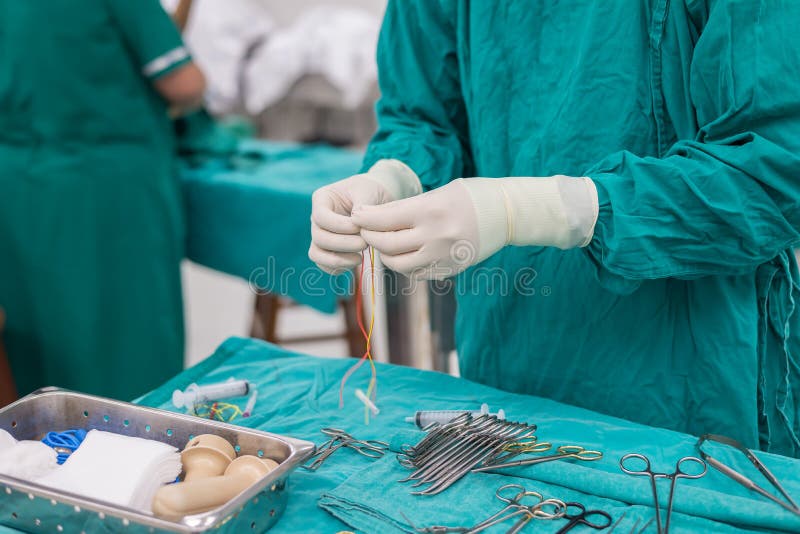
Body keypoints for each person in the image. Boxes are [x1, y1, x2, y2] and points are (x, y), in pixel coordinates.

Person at [310, 1, 800, 456]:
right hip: (509, 348)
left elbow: (773, 166)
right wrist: (395, 177)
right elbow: (423, 113)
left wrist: (553, 209)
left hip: (682, 375)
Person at [0, 0, 205, 400]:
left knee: (40, 344)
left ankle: (40, 452)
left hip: (17, 189)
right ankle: (129, 452)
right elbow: (184, 84)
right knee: (124, 347)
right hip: (107, 195)